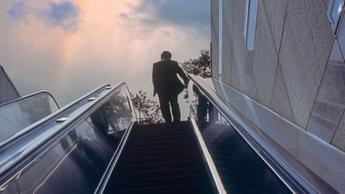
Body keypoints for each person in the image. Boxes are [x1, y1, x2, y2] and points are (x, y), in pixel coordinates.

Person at [152, 51, 189, 124]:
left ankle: (168, 121)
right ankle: (177, 120)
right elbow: (181, 73)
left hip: (162, 89)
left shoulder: (156, 65)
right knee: (174, 103)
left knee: (164, 105)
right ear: (170, 57)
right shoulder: (174, 63)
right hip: (174, 87)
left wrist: (155, 89)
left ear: (161, 56)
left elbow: (154, 78)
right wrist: (185, 81)